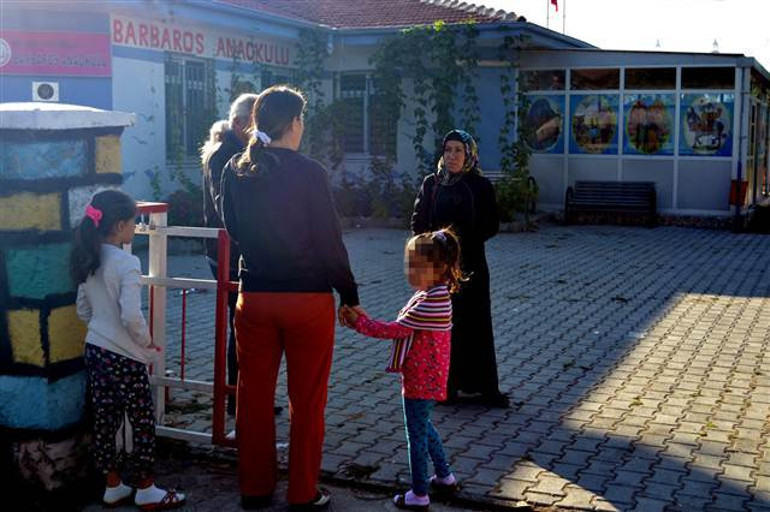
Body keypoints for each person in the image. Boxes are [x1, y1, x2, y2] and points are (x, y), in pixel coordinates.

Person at [220, 85, 365, 510]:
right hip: (307, 302)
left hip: (256, 298)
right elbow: (329, 241)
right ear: (295, 122)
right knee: (306, 402)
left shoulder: (235, 168)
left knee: (253, 398)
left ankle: (254, 489)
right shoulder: (309, 172)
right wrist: (349, 294)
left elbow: (234, 229)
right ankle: (303, 493)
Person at [71, 190, 185, 510]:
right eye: (134, 222)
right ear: (120, 225)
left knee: (105, 418)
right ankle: (146, 488)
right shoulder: (128, 263)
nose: (136, 228)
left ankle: (113, 485)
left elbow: (83, 310)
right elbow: (131, 316)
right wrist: (146, 342)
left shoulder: (87, 257)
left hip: (95, 349)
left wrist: (102, 329)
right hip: (124, 355)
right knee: (141, 419)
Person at [341, 229, 462, 511]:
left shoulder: (432, 300)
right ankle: (444, 477)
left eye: (418, 266)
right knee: (424, 426)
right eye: (409, 264)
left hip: (422, 379)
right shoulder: (433, 293)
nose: (410, 271)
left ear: (441, 268)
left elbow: (395, 330)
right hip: (426, 375)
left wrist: (358, 323)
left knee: (416, 436)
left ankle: (419, 494)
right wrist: (363, 317)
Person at [411, 129, 508, 408]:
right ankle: (446, 388)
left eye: (458, 150)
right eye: (448, 150)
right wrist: (431, 246)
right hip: (438, 269)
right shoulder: (432, 184)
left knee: (475, 325)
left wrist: (459, 244)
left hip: (472, 267)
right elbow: (418, 222)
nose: (452, 156)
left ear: (469, 154)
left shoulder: (480, 186)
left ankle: (484, 388)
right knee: (442, 327)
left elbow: (491, 225)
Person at [201, 94, 273, 418]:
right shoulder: (223, 156)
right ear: (238, 123)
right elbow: (226, 208)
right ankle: (237, 400)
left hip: (243, 250)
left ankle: (248, 397)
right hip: (228, 254)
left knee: (251, 326)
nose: (260, 130)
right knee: (241, 326)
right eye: (255, 123)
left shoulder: (244, 150)